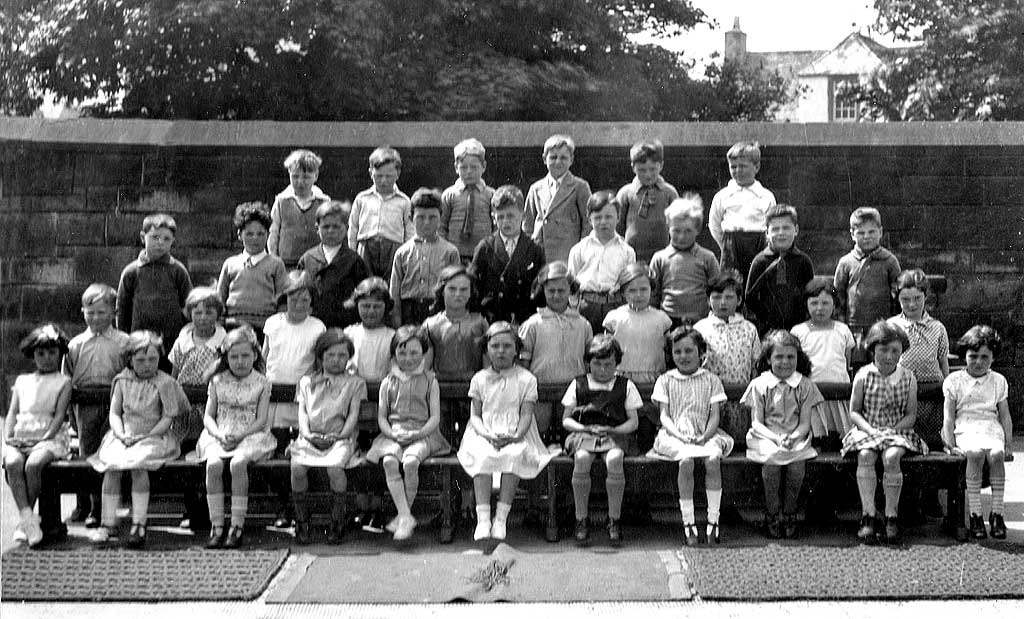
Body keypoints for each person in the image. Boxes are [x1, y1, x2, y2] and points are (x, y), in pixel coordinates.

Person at [458, 322, 556, 540]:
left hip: (517, 431)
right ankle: (483, 519)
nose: (500, 351)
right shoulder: (479, 379)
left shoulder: (526, 379)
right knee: (482, 455)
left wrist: (515, 436)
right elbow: (475, 415)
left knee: (514, 455)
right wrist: (486, 434)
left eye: (506, 346)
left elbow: (526, 415)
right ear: (486, 349)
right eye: (495, 346)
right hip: (483, 431)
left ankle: (501, 518)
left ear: (516, 349)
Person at [88, 331, 186, 548]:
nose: (147, 365)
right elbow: (115, 413)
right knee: (112, 467)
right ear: (130, 360)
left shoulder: (165, 383)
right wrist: (121, 434)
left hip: (154, 435)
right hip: (124, 434)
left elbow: (168, 416)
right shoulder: (122, 380)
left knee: (138, 465)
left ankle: (139, 522)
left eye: (152, 359)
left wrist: (149, 435)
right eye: (140, 360)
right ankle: (107, 521)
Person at [840, 321, 927, 544]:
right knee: (866, 456)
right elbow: (855, 412)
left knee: (891, 457)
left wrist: (892, 431)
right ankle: (868, 515)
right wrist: (870, 430)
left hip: (897, 431)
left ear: (901, 352)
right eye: (883, 350)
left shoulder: (908, 377)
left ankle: (891, 516)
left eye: (895, 351)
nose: (889, 356)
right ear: (873, 350)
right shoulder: (863, 375)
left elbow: (910, 415)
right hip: (867, 429)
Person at [648, 327, 734, 545]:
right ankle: (689, 523)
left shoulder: (711, 380)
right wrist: (679, 435)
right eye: (677, 352)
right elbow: (664, 416)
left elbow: (714, 415)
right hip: (674, 435)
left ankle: (713, 521)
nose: (683, 356)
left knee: (713, 460)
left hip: (705, 433)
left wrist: (705, 436)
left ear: (701, 353)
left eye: (689, 351)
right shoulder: (666, 380)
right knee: (686, 462)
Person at [193, 326, 276, 549]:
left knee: (238, 463)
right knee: (213, 465)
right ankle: (217, 525)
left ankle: (237, 526)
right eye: (234, 356)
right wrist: (219, 434)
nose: (240, 361)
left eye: (245, 356)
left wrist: (240, 435)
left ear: (255, 355)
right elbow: (209, 417)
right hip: (220, 433)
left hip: (251, 434)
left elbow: (261, 420)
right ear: (226, 357)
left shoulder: (262, 382)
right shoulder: (217, 381)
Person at [365, 326, 451, 541]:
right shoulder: (388, 382)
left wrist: (418, 434)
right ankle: (405, 516)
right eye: (402, 353)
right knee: (389, 462)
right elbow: (383, 417)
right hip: (393, 434)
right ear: (394, 354)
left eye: (414, 353)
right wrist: (392, 435)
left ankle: (404, 515)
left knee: (411, 462)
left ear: (423, 354)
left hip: (423, 434)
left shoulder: (430, 381)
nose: (408, 358)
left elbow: (435, 418)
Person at [742, 330, 822, 539]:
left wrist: (793, 437)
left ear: (798, 358)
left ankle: (789, 512)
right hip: (766, 436)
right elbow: (757, 423)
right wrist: (776, 438)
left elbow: (805, 424)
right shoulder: (760, 385)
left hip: (796, 436)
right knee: (771, 465)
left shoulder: (804, 385)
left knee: (796, 467)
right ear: (768, 359)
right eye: (779, 356)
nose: (785, 362)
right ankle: (771, 513)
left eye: (790, 357)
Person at [262, 270, 326, 527]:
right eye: (293, 298)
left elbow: (317, 365)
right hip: (274, 397)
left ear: (311, 301)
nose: (298, 304)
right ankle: (282, 506)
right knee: (275, 451)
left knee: (298, 454)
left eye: (304, 299)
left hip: (301, 399)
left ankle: (302, 508)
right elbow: (266, 357)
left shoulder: (317, 327)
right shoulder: (273, 323)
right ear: (284, 298)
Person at [289, 329, 366, 545]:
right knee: (297, 468)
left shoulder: (354, 383)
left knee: (335, 468)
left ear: (349, 357)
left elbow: (352, 414)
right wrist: (307, 434)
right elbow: (302, 413)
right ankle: (302, 519)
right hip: (309, 438)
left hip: (340, 438)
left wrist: (339, 436)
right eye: (330, 355)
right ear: (321, 356)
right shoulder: (306, 382)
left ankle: (337, 518)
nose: (335, 360)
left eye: (342, 355)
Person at [561, 335, 640, 543]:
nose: (602, 370)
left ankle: (614, 519)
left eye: (608, 364)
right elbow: (566, 420)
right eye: (597, 364)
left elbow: (633, 422)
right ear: (588, 362)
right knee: (582, 459)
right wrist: (585, 428)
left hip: (614, 435)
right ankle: (581, 518)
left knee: (614, 459)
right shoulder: (578, 384)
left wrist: (614, 430)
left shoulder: (625, 385)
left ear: (617, 364)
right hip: (584, 434)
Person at [63, 283, 130, 529]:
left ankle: (108, 506)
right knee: (87, 453)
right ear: (83, 312)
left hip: (114, 403)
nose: (95, 317)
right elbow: (67, 379)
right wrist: (70, 411)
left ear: (113, 312)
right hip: (85, 405)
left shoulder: (124, 342)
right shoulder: (75, 344)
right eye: (90, 312)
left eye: (102, 312)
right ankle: (88, 506)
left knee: (111, 453)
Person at [942, 325, 1013, 540]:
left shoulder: (998, 381)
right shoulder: (954, 381)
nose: (979, 362)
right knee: (974, 453)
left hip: (990, 427)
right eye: (973, 356)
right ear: (965, 355)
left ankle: (997, 513)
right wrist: (950, 443)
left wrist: (1008, 444)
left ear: (993, 358)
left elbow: (1005, 415)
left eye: (985, 357)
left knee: (996, 455)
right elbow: (949, 416)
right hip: (966, 428)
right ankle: (975, 514)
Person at [5, 324, 72, 548]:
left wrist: (44, 438)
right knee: (13, 461)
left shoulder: (63, 382)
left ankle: (27, 523)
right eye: (40, 353)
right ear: (32, 354)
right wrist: (8, 437)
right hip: (22, 435)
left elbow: (60, 416)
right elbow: (13, 412)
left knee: (33, 465)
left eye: (52, 353)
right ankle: (29, 520)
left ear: (60, 353)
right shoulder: (23, 381)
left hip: (49, 437)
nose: (46, 358)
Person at [169, 286, 227, 531]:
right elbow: (173, 375)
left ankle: (209, 510)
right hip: (186, 409)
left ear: (218, 314)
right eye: (198, 312)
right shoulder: (182, 341)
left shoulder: (223, 341)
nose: (203, 317)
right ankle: (190, 509)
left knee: (207, 458)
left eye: (209, 312)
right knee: (186, 457)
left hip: (210, 408)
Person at [342, 277, 397, 532]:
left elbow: (395, 368)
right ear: (357, 306)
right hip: (356, 405)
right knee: (357, 455)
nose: (371, 311)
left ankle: (376, 507)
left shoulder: (392, 336)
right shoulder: (350, 333)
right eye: (365, 306)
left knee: (377, 456)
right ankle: (360, 506)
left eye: (376, 306)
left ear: (385, 307)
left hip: (382, 406)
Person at [519, 261, 593, 443]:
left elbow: (589, 361)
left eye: (562, 290)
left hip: (573, 393)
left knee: (571, 439)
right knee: (538, 436)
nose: (556, 295)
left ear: (570, 290)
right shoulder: (533, 324)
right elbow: (523, 364)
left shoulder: (582, 324)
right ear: (543, 290)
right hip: (540, 391)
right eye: (551, 290)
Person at [602, 263, 671, 454]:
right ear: (623, 292)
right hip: (623, 380)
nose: (638, 295)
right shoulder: (615, 318)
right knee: (624, 427)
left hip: (651, 379)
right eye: (632, 290)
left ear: (651, 289)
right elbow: (606, 350)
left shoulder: (661, 319)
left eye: (643, 289)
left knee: (647, 427)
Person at [693, 270, 761, 445]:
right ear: (708, 300)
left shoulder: (749, 328)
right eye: (716, 297)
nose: (722, 302)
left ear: (739, 300)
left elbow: (756, 365)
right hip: (711, 401)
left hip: (741, 399)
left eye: (729, 297)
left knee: (740, 444)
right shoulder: (700, 329)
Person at [116, 212, 192, 358]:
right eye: (155, 237)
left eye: (166, 239)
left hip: (172, 339)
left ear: (173, 241)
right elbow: (122, 308)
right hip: (140, 339)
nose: (160, 243)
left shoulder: (178, 270)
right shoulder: (132, 271)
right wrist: (125, 337)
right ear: (142, 237)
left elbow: (189, 304)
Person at [469, 185, 546, 325]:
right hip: (492, 318)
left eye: (511, 216)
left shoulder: (534, 249)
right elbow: (474, 286)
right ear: (493, 218)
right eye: (500, 217)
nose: (505, 222)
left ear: (522, 215)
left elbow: (540, 291)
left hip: (524, 319)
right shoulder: (485, 247)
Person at [832, 207, 901, 363]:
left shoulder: (889, 261)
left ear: (880, 232)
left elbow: (897, 295)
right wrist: (841, 324)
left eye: (871, 232)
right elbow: (838, 295)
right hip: (854, 327)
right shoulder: (846, 262)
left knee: (882, 364)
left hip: (883, 326)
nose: (867, 237)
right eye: (861, 233)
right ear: (852, 234)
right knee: (857, 366)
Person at [791, 279, 855, 443]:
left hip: (838, 392)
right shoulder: (798, 331)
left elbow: (847, 362)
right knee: (816, 436)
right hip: (811, 394)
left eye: (825, 303)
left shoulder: (843, 330)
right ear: (806, 304)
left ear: (834, 305)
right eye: (814, 303)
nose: (820, 308)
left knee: (838, 437)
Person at [217, 201, 288, 341]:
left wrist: (277, 327)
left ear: (268, 234)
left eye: (260, 234)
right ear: (239, 235)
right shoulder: (231, 263)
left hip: (265, 327)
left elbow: (283, 300)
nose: (255, 238)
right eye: (249, 234)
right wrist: (221, 322)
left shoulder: (275, 264)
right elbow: (220, 298)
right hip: (234, 325)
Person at [389, 188, 461, 327]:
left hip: (439, 310)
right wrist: (397, 319)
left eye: (432, 217)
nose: (427, 222)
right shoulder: (402, 253)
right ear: (411, 218)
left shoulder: (450, 251)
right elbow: (395, 292)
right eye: (421, 217)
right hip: (409, 311)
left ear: (441, 217)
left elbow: (456, 286)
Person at [567, 190, 637, 334]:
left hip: (615, 305)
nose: (603, 222)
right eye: (598, 217)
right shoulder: (579, 249)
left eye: (609, 217)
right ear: (589, 218)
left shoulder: (627, 251)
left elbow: (630, 283)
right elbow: (571, 282)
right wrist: (574, 307)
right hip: (586, 305)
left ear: (618, 217)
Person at [297, 200, 371, 330]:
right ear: (317, 229)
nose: (331, 231)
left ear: (346, 228)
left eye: (336, 226)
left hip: (343, 325)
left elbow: (363, 294)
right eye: (326, 227)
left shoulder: (354, 261)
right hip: (311, 325)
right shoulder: (307, 258)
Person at [650, 194, 721, 327]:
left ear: (697, 230)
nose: (682, 236)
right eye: (676, 231)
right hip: (668, 320)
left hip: (700, 320)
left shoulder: (707, 257)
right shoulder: (660, 258)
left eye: (688, 231)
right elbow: (654, 294)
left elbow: (717, 290)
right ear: (668, 228)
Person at [708, 141, 776, 278]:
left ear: (756, 167)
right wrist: (727, 244)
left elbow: (772, 224)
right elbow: (714, 224)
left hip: (758, 243)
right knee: (731, 283)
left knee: (757, 281)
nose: (738, 171)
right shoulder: (723, 196)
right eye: (733, 167)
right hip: (732, 245)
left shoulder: (765, 196)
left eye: (743, 166)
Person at [522, 134, 592, 264]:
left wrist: (582, 252)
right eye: (553, 157)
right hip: (541, 252)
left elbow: (588, 223)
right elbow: (527, 224)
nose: (558, 162)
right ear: (544, 159)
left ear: (571, 160)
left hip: (568, 253)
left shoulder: (580, 187)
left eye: (563, 158)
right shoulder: (536, 188)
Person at [348, 146, 415, 281]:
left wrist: (407, 254)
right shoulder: (362, 198)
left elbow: (409, 231)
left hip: (393, 248)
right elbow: (353, 227)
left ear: (397, 174)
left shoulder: (404, 201)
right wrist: (352, 252)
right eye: (378, 176)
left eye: (388, 176)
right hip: (366, 247)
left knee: (391, 283)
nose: (383, 181)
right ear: (370, 173)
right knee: (365, 283)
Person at [745, 204, 814, 334]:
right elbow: (750, 298)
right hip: (766, 330)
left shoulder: (803, 261)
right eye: (775, 229)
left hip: (798, 329)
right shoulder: (760, 261)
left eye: (786, 228)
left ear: (796, 230)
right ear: (767, 232)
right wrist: (765, 322)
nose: (781, 233)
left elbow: (809, 296)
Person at [615, 139, 680, 265]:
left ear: (661, 165)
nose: (648, 175)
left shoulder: (669, 193)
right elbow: (618, 227)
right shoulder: (626, 193)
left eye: (652, 169)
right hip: (633, 257)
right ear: (633, 167)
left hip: (663, 257)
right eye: (642, 170)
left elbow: (677, 224)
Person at [423, 265, 488, 381]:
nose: (458, 294)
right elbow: (425, 369)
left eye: (463, 289)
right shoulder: (430, 325)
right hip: (439, 388)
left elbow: (487, 367)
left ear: (470, 292)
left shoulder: (480, 323)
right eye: (452, 289)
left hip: (473, 388)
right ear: (442, 291)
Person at [268, 149, 330, 267]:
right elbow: (273, 232)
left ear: (315, 176)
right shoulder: (281, 201)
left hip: (316, 263)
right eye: (295, 176)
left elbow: (329, 232)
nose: (300, 182)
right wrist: (274, 260)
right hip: (287, 262)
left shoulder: (323, 202)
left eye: (306, 177)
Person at [440, 138, 495, 262]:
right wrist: (444, 249)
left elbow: (495, 225)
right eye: (464, 168)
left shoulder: (490, 195)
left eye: (474, 167)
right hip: (455, 252)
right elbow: (442, 225)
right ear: (456, 167)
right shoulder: (449, 195)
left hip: (483, 252)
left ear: (484, 166)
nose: (469, 172)